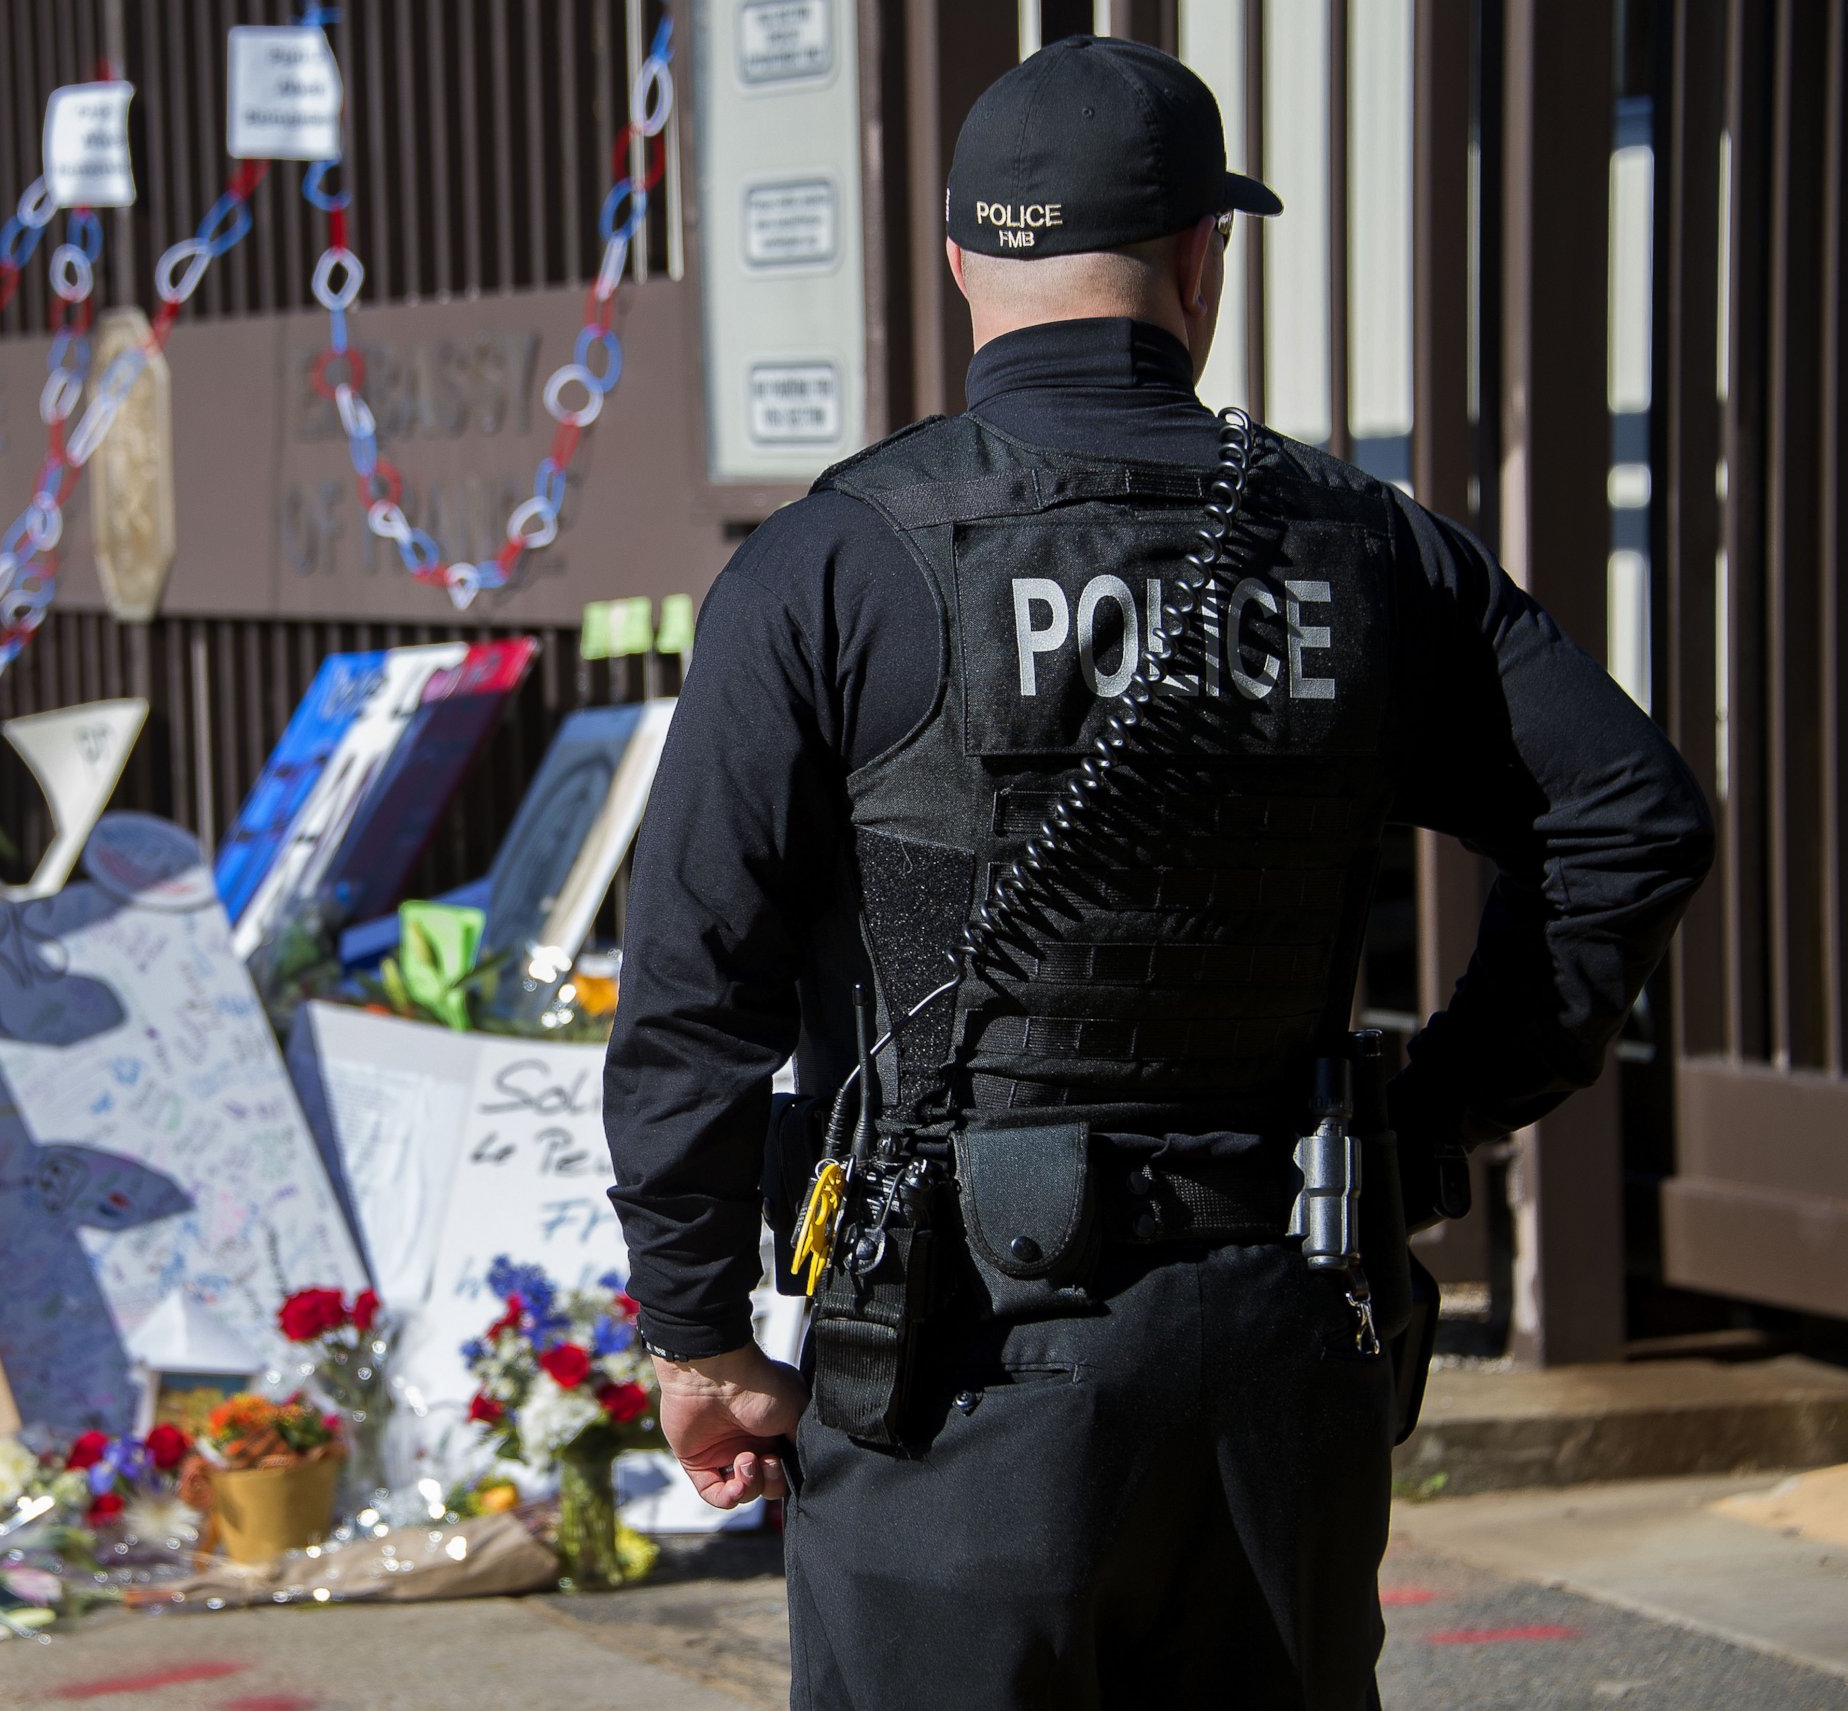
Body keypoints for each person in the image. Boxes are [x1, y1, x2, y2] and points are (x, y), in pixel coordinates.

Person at [604, 34, 1714, 1711]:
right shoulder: (1366, 546)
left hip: (954, 1370)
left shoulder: (837, 560)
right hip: (1281, 1348)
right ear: (1206, 259)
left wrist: (696, 1334)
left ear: (968, 261)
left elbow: (693, 981)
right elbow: (1633, 819)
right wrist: (1444, 1112)